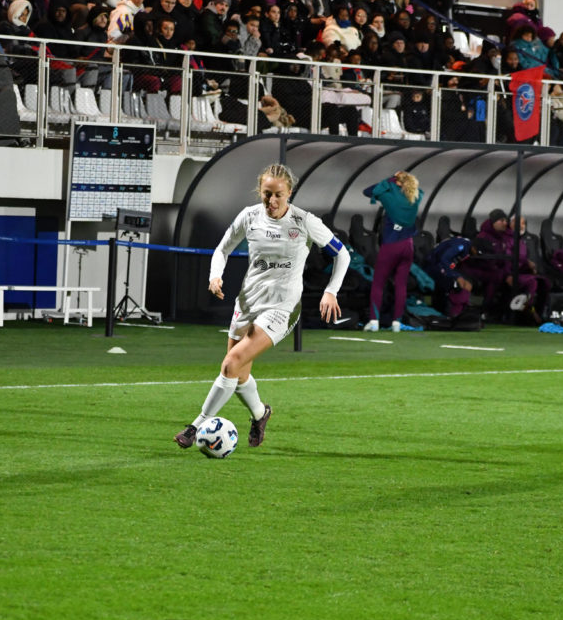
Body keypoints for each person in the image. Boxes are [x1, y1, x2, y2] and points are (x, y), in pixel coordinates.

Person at [173, 163, 349, 450]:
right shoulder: (249, 216)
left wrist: (331, 291)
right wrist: (215, 276)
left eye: (278, 194)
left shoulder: (304, 221)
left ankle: (196, 426)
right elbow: (222, 249)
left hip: (281, 307)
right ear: (260, 191)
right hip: (247, 302)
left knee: (230, 364)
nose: (272, 201)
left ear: (289, 193)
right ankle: (260, 414)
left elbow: (342, 255)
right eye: (267, 194)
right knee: (239, 374)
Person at [361, 171, 423, 331]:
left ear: (397, 182)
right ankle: (397, 322)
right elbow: (418, 190)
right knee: (401, 285)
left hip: (391, 244)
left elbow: (368, 191)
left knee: (378, 283)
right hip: (408, 245)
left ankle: (374, 321)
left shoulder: (389, 196)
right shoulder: (415, 197)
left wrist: (390, 179)